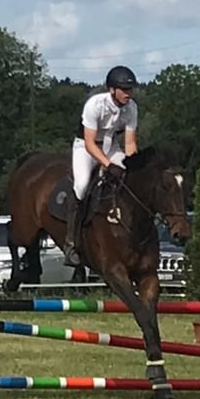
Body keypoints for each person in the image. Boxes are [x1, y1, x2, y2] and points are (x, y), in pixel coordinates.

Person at [64, 65, 139, 266]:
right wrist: (107, 164)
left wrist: (133, 166)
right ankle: (71, 242)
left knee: (131, 179)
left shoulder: (132, 108)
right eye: (124, 89)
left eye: (130, 90)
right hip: (85, 147)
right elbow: (89, 143)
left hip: (111, 146)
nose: (128, 94)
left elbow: (130, 143)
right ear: (111, 89)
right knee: (81, 185)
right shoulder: (94, 105)